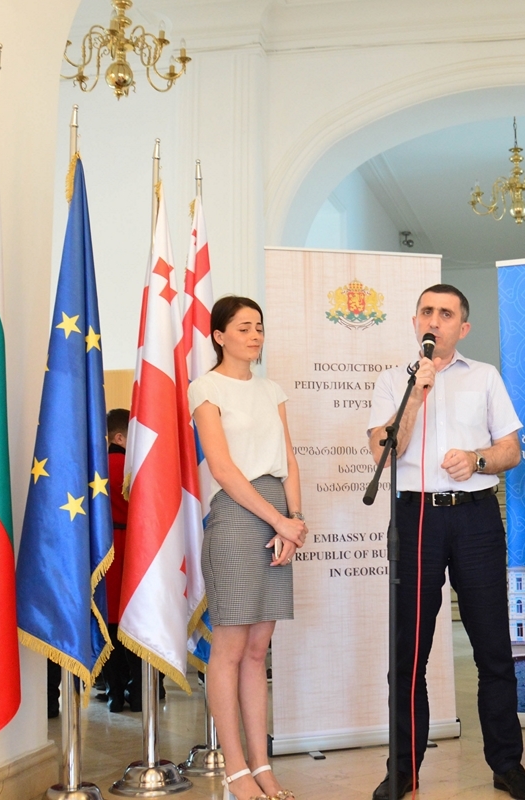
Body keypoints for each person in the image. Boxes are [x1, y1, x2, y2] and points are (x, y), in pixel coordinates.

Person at [366, 285, 525, 800]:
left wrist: (477, 460)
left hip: (475, 518)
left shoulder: (484, 376)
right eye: (427, 311)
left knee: (493, 649)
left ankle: (507, 764)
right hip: (415, 516)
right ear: (414, 320)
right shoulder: (393, 381)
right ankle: (404, 769)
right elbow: (384, 450)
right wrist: (417, 395)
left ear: (462, 327)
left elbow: (511, 450)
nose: (434, 320)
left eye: (446, 314)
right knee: (408, 654)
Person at [189, 296, 307, 800]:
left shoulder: (271, 389)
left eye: (259, 326)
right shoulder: (206, 388)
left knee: (259, 649)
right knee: (232, 647)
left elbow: (290, 459)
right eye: (243, 327)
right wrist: (279, 520)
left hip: (279, 511)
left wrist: (294, 520)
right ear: (219, 336)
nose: (255, 335)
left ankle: (262, 765)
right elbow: (222, 468)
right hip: (238, 515)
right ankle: (235, 769)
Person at [103, 408, 144, 713]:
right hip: (133, 548)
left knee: (110, 627)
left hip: (106, 552)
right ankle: (141, 693)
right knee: (135, 624)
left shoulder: (96, 468)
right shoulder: (133, 469)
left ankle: (114, 694)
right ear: (119, 437)